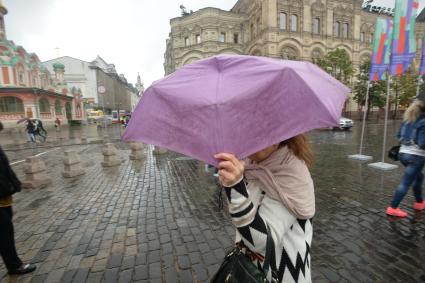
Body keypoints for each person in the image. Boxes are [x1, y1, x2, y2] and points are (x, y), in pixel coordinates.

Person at [215, 134, 314, 282]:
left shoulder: (291, 174)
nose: (245, 142)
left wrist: (235, 187)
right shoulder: (253, 165)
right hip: (250, 270)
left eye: (255, 134)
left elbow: (261, 243)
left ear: (278, 136)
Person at [0, 121, 37, 275]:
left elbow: (4, 167)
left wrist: (14, 182)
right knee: (4, 233)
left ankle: (13, 264)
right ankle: (14, 266)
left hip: (4, 195)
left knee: (6, 231)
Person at [387, 94, 425, 217]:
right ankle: (393, 208)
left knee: (418, 177)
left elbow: (398, 135)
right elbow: (422, 143)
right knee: (405, 183)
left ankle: (419, 202)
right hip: (416, 157)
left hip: (403, 154)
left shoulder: (408, 118)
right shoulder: (424, 120)